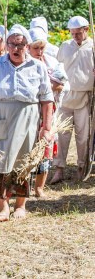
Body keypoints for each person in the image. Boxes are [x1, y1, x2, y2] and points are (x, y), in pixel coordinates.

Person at [0, 25, 53, 221]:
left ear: (27, 46)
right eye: (12, 44)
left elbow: (47, 99)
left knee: (23, 161)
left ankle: (20, 205)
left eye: (21, 45)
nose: (16, 48)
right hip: (0, 116)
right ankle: (3, 206)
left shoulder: (38, 67)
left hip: (27, 117)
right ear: (7, 44)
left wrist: (46, 128)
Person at [50, 16, 94, 184]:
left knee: (83, 136)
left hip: (85, 97)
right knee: (62, 134)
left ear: (86, 30)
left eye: (78, 33)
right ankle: (59, 169)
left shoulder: (92, 47)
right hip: (65, 97)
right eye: (73, 33)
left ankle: (82, 168)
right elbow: (57, 69)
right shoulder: (65, 46)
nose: (75, 36)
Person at [28, 27, 69, 197]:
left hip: (48, 110)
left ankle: (39, 187)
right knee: (27, 148)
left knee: (45, 145)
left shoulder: (52, 62)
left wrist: (48, 88)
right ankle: (25, 186)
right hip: (28, 111)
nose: (39, 51)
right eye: (35, 48)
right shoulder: (24, 63)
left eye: (41, 48)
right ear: (28, 48)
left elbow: (62, 84)